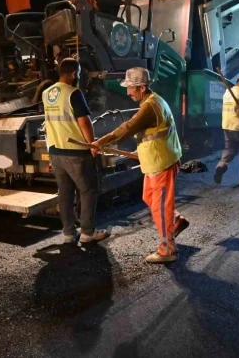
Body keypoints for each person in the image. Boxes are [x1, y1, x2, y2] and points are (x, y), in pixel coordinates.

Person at [94, 67, 189, 264]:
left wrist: (101, 141)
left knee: (160, 206)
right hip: (155, 160)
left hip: (161, 163)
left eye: (131, 87)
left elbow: (128, 127)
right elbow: (153, 134)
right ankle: (176, 221)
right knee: (149, 196)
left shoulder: (150, 106)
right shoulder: (152, 101)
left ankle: (167, 249)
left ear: (142, 87)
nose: (128, 92)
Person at [42, 58, 109, 245]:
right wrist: (93, 145)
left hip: (56, 151)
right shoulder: (74, 93)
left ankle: (69, 234)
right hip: (76, 152)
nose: (78, 76)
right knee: (88, 191)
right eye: (78, 73)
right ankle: (88, 233)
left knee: (64, 193)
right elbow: (85, 122)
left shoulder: (46, 93)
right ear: (74, 74)